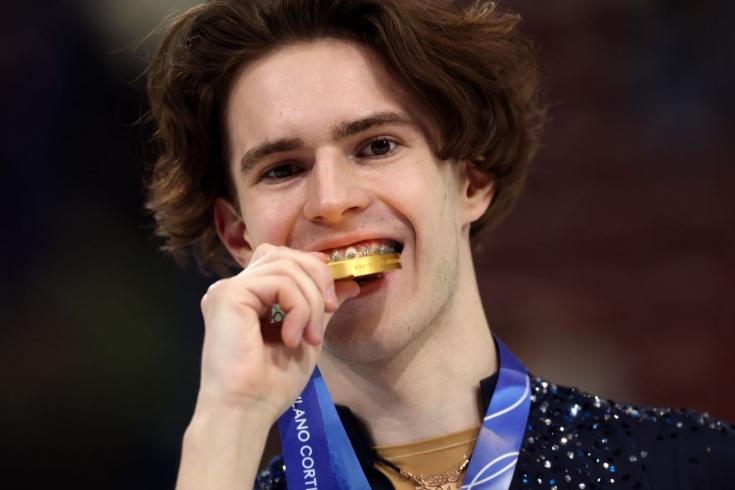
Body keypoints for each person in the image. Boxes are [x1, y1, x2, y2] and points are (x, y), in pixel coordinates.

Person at [144, 0, 735, 488]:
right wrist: (227, 419)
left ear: (470, 180)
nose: (331, 200)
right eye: (282, 169)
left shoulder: (694, 468)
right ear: (239, 235)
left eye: (377, 146)